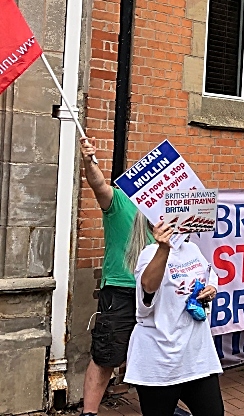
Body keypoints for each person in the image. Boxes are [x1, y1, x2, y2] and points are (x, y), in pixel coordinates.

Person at [123, 214, 223, 415]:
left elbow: (210, 274)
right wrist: (164, 247)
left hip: (196, 355)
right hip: (160, 357)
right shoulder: (150, 253)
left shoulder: (192, 249)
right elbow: (148, 287)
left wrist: (211, 287)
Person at [79, 138, 150, 416]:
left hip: (156, 292)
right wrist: (89, 160)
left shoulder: (166, 211)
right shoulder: (119, 201)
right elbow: (98, 184)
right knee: (106, 354)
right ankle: (89, 413)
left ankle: (159, 408)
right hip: (121, 291)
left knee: (153, 355)